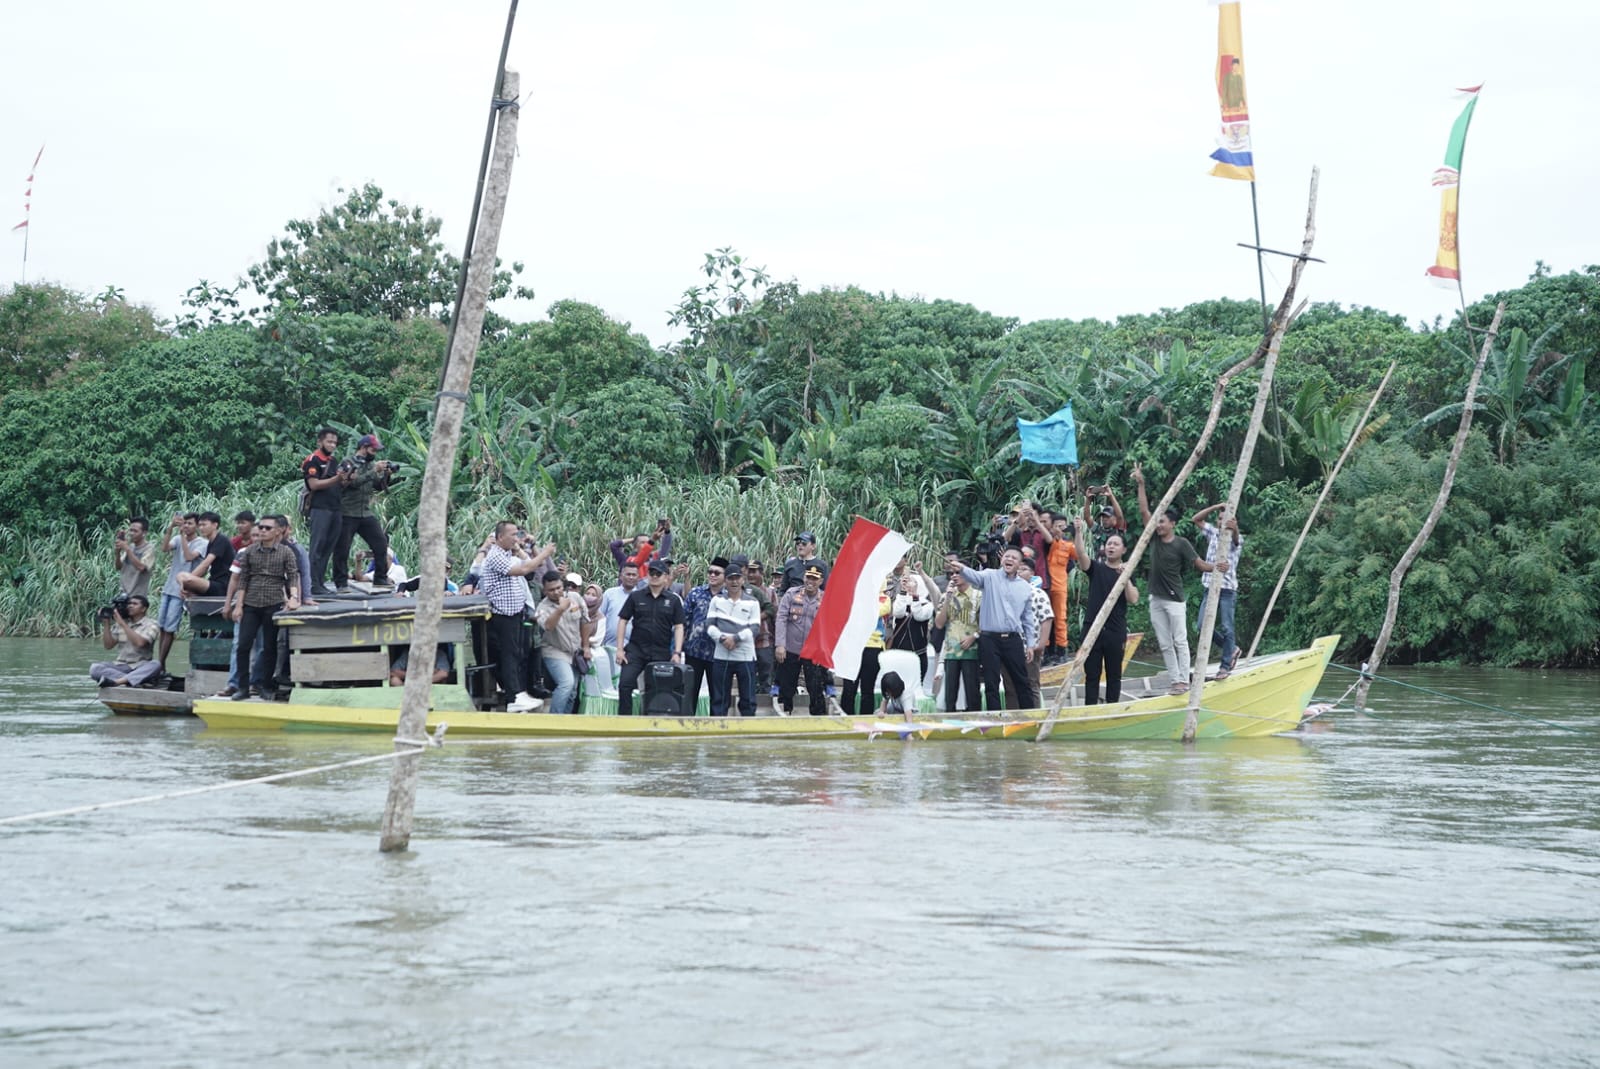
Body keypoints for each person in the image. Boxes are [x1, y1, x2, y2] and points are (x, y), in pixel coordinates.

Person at [1133, 464, 1229, 694]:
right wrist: (1141, 484)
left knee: (1180, 641)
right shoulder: (1153, 539)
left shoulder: (1181, 543)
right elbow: (1145, 511)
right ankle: (1176, 680)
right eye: (1158, 522)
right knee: (1165, 643)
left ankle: (1184, 680)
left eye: (1162, 522)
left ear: (1172, 524)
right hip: (1155, 598)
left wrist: (1216, 567)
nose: (1158, 525)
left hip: (1175, 598)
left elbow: (1199, 565)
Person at [221, 514, 300, 701]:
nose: (263, 531)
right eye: (261, 528)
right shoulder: (249, 552)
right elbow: (243, 580)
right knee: (243, 646)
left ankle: (265, 685)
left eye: (267, 528)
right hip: (251, 603)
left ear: (277, 531)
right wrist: (238, 605)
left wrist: (294, 597)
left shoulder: (286, 552)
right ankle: (242, 687)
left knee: (269, 647)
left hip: (273, 603)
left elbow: (292, 576)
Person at [479, 521, 553, 712]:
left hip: (515, 614)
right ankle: (513, 697)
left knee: (517, 654)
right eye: (512, 534)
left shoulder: (507, 554)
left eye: (517, 534)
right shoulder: (495, 555)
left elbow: (531, 564)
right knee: (509, 655)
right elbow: (522, 570)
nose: (516, 538)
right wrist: (544, 552)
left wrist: (526, 550)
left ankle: (518, 693)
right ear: (500, 537)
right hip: (502, 615)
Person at [960, 547, 1039, 711]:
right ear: (1002, 559)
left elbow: (1028, 619)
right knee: (991, 681)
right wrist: (961, 568)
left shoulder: (1024, 587)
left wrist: (1030, 644)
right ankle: (995, 719)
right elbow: (974, 576)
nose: (1009, 559)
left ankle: (1030, 717)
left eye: (1014, 558)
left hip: (1013, 639)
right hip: (989, 639)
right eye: (1007, 556)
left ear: (1019, 564)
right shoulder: (989, 576)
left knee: (1022, 680)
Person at [1072, 518, 1140, 704]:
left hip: (1115, 630)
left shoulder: (1127, 572)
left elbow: (1133, 599)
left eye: (1116, 544)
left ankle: (1112, 708)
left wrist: (1125, 578)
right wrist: (1078, 531)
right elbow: (1081, 554)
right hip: (1092, 628)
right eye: (1109, 544)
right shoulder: (1097, 569)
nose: (1111, 547)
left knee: (1114, 674)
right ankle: (1090, 709)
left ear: (1124, 550)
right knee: (1092, 674)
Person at [615, 559, 686, 717]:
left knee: (659, 689)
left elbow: (679, 626)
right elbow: (623, 620)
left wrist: (677, 652)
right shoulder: (636, 596)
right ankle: (624, 720)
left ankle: (653, 720)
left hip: (660, 652)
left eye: (658, 574)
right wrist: (620, 649)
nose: (654, 576)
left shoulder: (673, 600)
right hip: (636, 650)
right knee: (625, 684)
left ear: (666, 577)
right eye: (651, 573)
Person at [332, 434, 395, 593]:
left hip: (365, 513)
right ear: (363, 448)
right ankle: (341, 582)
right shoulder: (348, 463)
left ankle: (380, 578)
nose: (375, 453)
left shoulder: (370, 465)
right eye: (373, 449)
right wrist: (374, 471)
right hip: (347, 512)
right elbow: (352, 483)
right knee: (342, 549)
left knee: (381, 543)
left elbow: (379, 487)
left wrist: (386, 475)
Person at [1193, 503, 1245, 678]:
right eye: (1220, 519)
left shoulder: (1235, 538)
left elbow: (1237, 541)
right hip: (1210, 587)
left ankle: (1225, 666)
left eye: (1226, 520)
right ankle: (1231, 649)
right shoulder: (1213, 533)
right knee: (1201, 626)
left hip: (1227, 590)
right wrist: (1217, 507)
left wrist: (1234, 528)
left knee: (1227, 627)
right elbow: (1196, 519)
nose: (1223, 522)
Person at [706, 557, 761, 716]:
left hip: (745, 656)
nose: (734, 582)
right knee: (719, 698)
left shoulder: (752, 602)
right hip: (722, 655)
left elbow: (755, 628)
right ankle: (718, 731)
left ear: (743, 580)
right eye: (730, 578)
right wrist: (723, 639)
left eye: (737, 578)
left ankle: (747, 731)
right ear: (725, 581)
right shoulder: (717, 600)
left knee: (748, 699)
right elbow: (709, 625)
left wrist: (735, 639)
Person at [774, 564, 828, 715]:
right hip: (790, 648)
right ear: (804, 577)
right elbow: (781, 619)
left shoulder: (825, 599)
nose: (811, 581)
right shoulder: (791, 594)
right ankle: (784, 715)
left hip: (813, 652)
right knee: (786, 686)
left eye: (815, 579)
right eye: (808, 577)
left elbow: (829, 626)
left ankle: (819, 720)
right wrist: (780, 645)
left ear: (821, 580)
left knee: (816, 688)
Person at [156, 512, 205, 674]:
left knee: (170, 628)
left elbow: (189, 557)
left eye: (190, 524)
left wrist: (182, 536)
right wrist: (170, 528)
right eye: (184, 524)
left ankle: (161, 664)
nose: (186, 527)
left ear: (197, 525)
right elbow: (164, 548)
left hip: (183, 590)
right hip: (169, 587)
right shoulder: (177, 539)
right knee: (162, 627)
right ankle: (159, 663)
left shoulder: (202, 543)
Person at [535, 570, 590, 715]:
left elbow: (585, 621)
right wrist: (560, 609)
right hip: (554, 651)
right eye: (551, 590)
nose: (556, 592)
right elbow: (548, 626)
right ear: (545, 591)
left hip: (575, 651)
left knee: (572, 692)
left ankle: (566, 720)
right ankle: (555, 719)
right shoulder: (542, 608)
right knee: (566, 683)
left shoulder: (575, 597)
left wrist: (586, 646)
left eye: (558, 588)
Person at [682, 557, 729, 709]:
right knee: (689, 695)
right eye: (710, 572)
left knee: (718, 696)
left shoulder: (729, 598)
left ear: (725, 577)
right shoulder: (696, 593)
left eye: (717, 573)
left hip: (719, 654)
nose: (712, 575)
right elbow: (685, 620)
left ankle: (718, 729)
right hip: (694, 652)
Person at [301, 427, 344, 596]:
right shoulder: (312, 460)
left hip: (335, 508)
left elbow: (338, 484)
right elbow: (314, 485)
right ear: (320, 442)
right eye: (329, 441)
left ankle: (320, 583)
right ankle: (313, 584)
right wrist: (337, 478)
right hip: (320, 509)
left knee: (328, 547)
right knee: (317, 547)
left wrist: (346, 479)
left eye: (335, 442)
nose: (332, 445)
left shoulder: (333, 461)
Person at [934, 564, 982, 712]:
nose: (954, 576)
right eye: (951, 573)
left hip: (971, 649)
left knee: (972, 691)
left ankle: (976, 723)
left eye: (958, 572)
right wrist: (947, 599)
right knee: (950, 693)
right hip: (951, 650)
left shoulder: (978, 595)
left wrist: (973, 637)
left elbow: (985, 622)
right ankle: (950, 722)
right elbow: (939, 624)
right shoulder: (947, 595)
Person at [838, 589, 891, 717]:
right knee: (849, 688)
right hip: (853, 646)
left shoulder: (884, 598)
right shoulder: (852, 594)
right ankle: (846, 721)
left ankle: (866, 722)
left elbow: (877, 611)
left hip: (873, 647)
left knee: (867, 689)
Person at [89, 594, 161, 687]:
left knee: (156, 664)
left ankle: (118, 682)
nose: (130, 606)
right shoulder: (122, 623)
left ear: (143, 609)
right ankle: (134, 680)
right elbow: (108, 646)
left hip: (141, 665)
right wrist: (106, 624)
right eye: (129, 603)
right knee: (95, 668)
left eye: (135, 604)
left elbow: (140, 643)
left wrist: (122, 624)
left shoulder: (151, 624)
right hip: (121, 665)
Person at [1043, 512, 1078, 665]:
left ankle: (1061, 651)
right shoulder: (1046, 542)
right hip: (1044, 586)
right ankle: (1045, 653)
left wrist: (1078, 533)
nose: (1060, 529)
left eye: (1063, 527)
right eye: (1057, 526)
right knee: (1043, 619)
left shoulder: (1068, 546)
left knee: (1060, 619)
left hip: (1059, 587)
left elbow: (1079, 555)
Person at [1018, 557, 1055, 699]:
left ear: (1032, 573)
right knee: (1015, 685)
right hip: (1013, 646)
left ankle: (1035, 716)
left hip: (1032, 647)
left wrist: (1040, 646)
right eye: (1018, 569)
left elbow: (1046, 618)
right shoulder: (1009, 593)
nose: (1020, 573)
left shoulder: (1037, 593)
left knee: (1032, 683)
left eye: (1024, 570)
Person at [177, 511, 235, 598]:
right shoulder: (210, 543)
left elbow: (205, 564)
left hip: (223, 585)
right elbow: (204, 570)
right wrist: (187, 584)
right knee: (180, 575)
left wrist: (189, 579)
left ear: (215, 525)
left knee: (184, 577)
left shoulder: (221, 540)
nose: (201, 528)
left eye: (204, 525)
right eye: (199, 525)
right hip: (213, 581)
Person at [889, 570, 935, 679]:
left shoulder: (928, 605)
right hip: (899, 652)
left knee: (916, 684)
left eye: (913, 583)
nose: (910, 585)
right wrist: (903, 591)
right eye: (908, 583)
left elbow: (919, 616)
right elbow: (898, 613)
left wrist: (915, 597)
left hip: (918, 653)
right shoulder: (901, 600)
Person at [1004, 502, 1054, 593]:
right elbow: (1006, 538)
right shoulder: (1020, 533)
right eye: (1027, 515)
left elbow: (1050, 540)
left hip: (1042, 578)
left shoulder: (1043, 533)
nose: (1030, 518)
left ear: (1039, 516)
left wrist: (1037, 521)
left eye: (1032, 515)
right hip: (1021, 578)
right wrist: (1017, 519)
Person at [745, 558, 777, 694]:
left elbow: (775, 615)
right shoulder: (742, 591)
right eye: (748, 572)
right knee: (747, 677)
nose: (750, 575)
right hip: (745, 641)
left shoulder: (770, 592)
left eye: (754, 571)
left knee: (766, 677)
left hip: (765, 640)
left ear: (762, 573)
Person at [1082, 483, 1129, 561]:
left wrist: (1110, 496)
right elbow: (1087, 517)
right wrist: (1088, 499)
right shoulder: (1098, 530)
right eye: (1103, 517)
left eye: (1108, 517)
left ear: (1115, 518)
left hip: (1114, 568)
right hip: (1099, 568)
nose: (1104, 519)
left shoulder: (1118, 531)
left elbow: (1120, 517)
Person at [598, 563, 640, 650]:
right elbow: (600, 617)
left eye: (634, 575)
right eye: (628, 574)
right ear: (621, 576)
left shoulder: (642, 597)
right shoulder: (609, 594)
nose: (631, 577)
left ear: (638, 577)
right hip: (610, 646)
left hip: (634, 649)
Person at [114, 517, 155, 598]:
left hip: (138, 596)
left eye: (135, 531)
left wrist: (127, 549)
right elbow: (118, 567)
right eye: (131, 530)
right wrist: (118, 553)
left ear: (144, 533)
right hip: (123, 593)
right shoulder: (130, 546)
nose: (131, 533)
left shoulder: (149, 549)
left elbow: (142, 567)